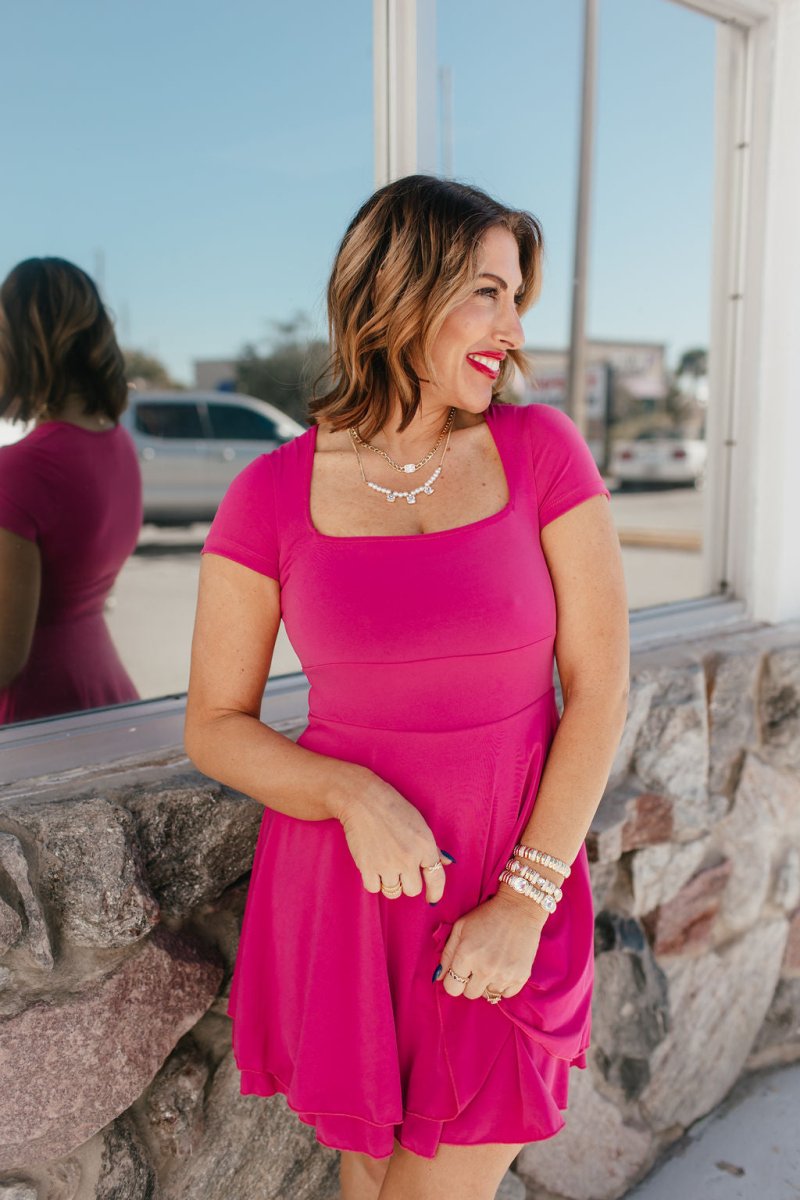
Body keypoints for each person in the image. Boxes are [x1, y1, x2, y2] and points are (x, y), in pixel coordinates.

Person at [184, 175, 629, 1200]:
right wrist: (348, 794)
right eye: (487, 294)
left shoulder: (540, 452)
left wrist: (525, 901)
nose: (513, 331)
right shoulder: (268, 495)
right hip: (348, 898)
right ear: (399, 292)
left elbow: (600, 685)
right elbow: (213, 723)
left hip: (510, 887)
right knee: (373, 1178)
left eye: (517, 298)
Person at [0, 257, 142, 725]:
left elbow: (5, 657)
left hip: (33, 721)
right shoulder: (116, 443)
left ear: (24, 343)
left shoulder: (20, 469)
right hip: (104, 693)